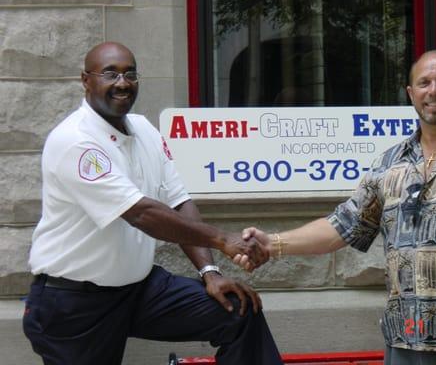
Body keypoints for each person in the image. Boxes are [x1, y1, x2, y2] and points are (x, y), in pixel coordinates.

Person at [234, 50, 436, 365]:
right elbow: (343, 225)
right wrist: (273, 243)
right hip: (405, 341)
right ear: (411, 93)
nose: (433, 90)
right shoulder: (390, 164)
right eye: (424, 82)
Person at [23, 41, 283, 365]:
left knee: (238, 311)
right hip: (75, 302)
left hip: (139, 289)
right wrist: (222, 238)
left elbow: (178, 201)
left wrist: (210, 272)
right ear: (86, 80)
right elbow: (142, 214)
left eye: (130, 73)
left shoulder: (145, 130)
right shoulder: (75, 141)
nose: (122, 82)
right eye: (110, 74)